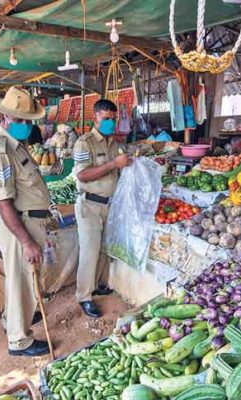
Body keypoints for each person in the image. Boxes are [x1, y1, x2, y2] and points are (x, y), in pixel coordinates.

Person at [0, 86, 51, 357]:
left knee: (19, 280)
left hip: (28, 220)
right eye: (19, 120)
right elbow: (3, 202)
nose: (25, 125)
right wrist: (26, 241)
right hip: (19, 225)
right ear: (5, 118)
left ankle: (12, 321)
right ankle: (19, 341)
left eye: (28, 120)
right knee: (22, 281)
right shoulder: (0, 151)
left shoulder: (15, 143)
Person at [73, 99, 132, 318]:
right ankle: (84, 296)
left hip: (110, 204)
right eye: (106, 119)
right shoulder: (84, 143)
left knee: (103, 249)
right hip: (90, 205)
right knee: (89, 251)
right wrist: (113, 164)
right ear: (95, 116)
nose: (110, 123)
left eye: (113, 119)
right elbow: (82, 174)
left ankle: (97, 284)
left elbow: (117, 171)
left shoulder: (113, 143)